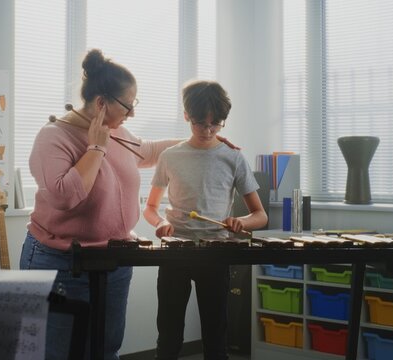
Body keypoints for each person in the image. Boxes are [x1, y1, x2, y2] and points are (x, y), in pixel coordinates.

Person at [19, 49, 181, 360]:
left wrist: (196, 141)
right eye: (128, 105)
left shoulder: (117, 131)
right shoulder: (53, 136)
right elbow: (65, 197)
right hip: (62, 261)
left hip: (114, 260)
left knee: (106, 350)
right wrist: (95, 147)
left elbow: (146, 151)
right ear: (101, 102)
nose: (132, 113)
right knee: (59, 353)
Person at [143, 80, 268, 360]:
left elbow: (260, 215)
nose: (209, 130)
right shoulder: (170, 156)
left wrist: (241, 223)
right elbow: (151, 207)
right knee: (168, 336)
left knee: (216, 337)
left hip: (216, 252)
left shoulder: (233, 158)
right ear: (186, 115)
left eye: (217, 123)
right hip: (175, 252)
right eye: (201, 123)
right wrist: (160, 223)